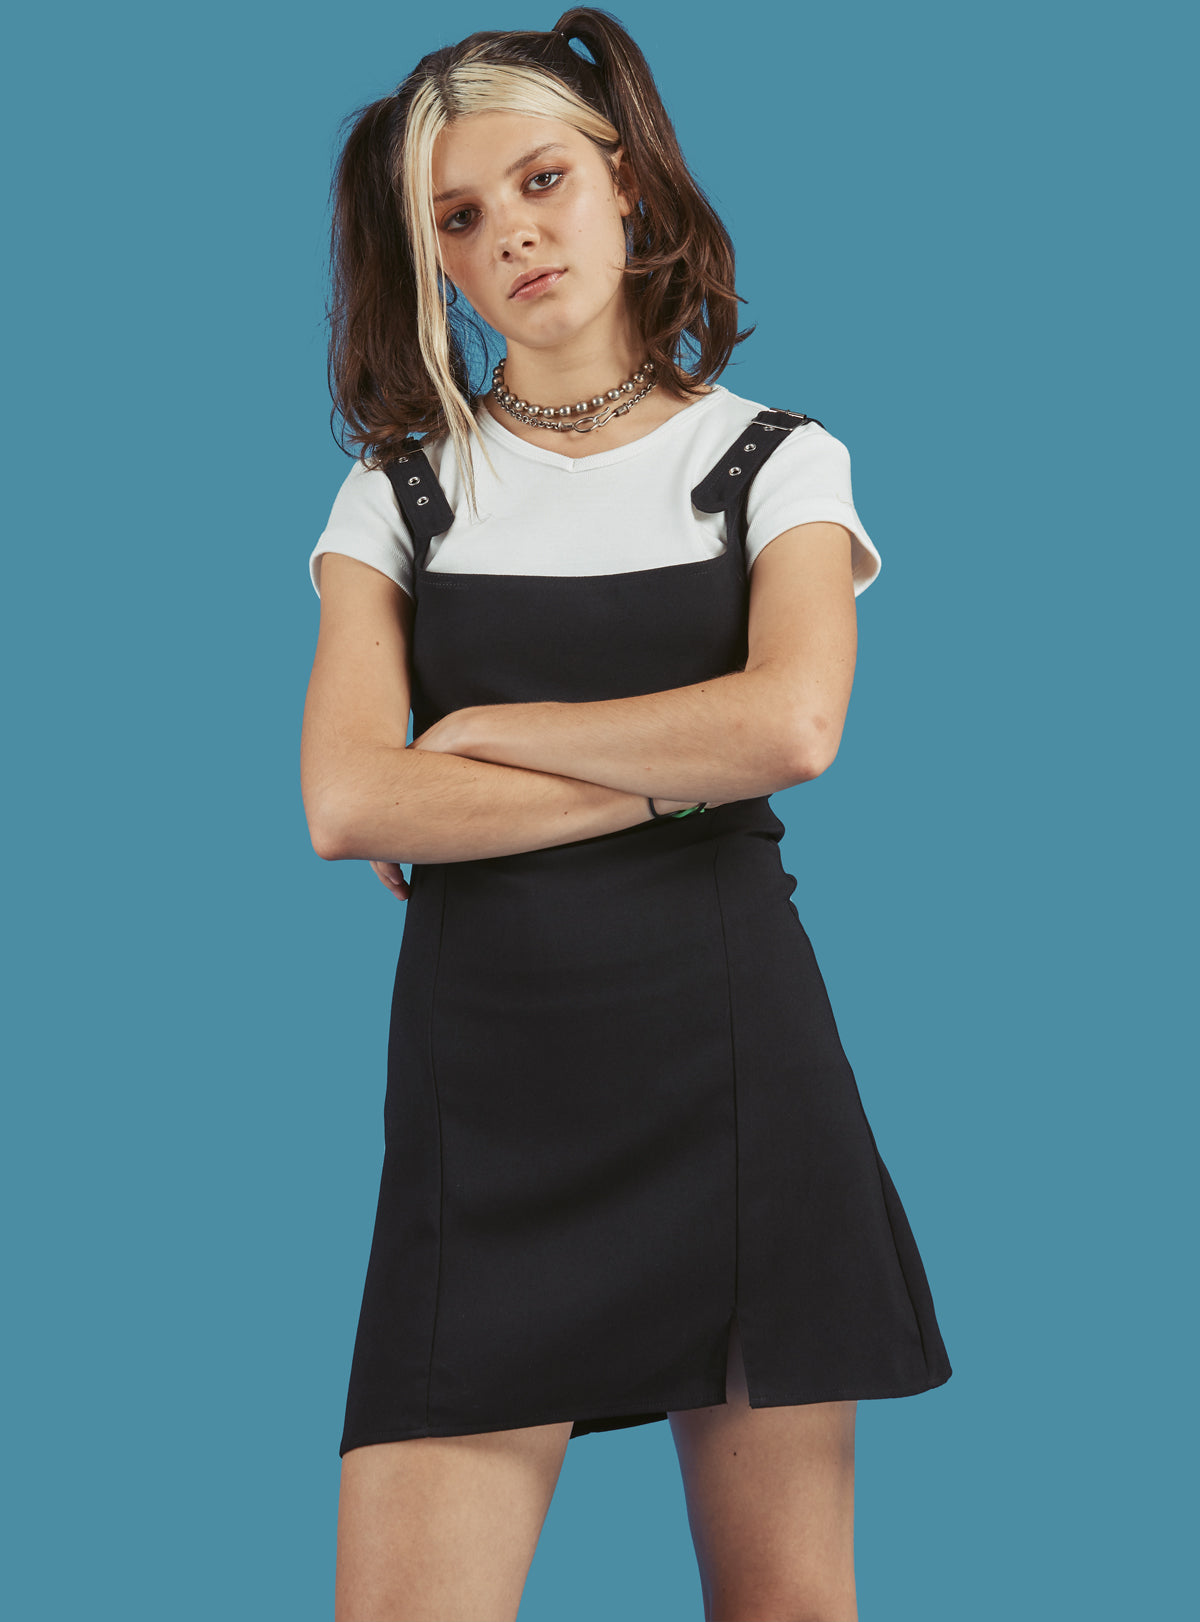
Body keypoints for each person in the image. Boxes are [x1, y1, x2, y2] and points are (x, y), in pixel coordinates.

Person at [301, 9, 953, 1619]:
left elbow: (793, 725)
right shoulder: (401, 493)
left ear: (628, 185)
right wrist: (671, 769)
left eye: (543, 181)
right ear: (435, 261)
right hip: (485, 1101)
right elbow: (350, 796)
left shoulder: (777, 460)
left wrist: (491, 739)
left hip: (733, 1074)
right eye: (461, 216)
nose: (512, 233)